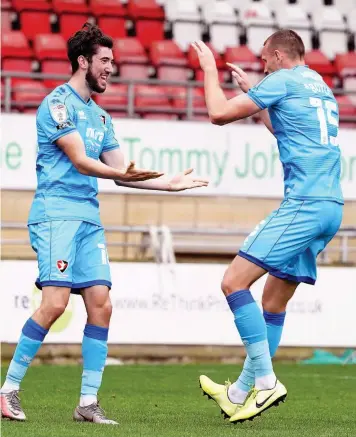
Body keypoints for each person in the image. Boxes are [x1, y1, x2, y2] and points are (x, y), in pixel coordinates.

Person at [0, 23, 208, 425]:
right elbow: (81, 161)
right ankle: (8, 390)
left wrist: (169, 183)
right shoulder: (57, 105)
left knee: (102, 305)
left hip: (88, 219)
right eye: (105, 61)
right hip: (56, 214)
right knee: (56, 303)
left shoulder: (101, 116)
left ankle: (87, 403)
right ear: (83, 61)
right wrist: (128, 176)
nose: (112, 68)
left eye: (113, 61)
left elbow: (119, 170)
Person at [193, 29, 343, 423]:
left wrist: (209, 69)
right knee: (273, 303)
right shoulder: (320, 85)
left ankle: (265, 381)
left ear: (278, 55)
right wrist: (261, 103)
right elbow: (289, 131)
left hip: (305, 203)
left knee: (233, 282)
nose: (261, 66)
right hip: (331, 206)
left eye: (264, 59)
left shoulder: (281, 80)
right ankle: (239, 392)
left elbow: (218, 113)